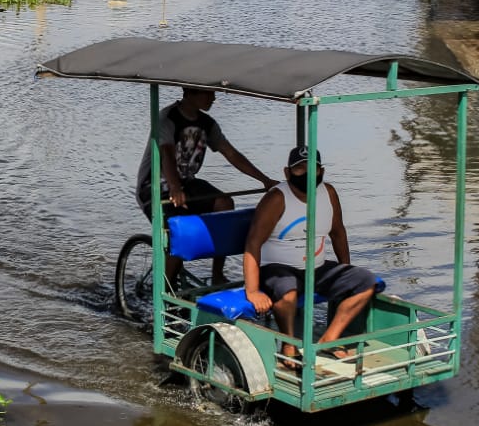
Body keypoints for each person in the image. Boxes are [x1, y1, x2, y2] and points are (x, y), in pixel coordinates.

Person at [242, 146, 378, 368]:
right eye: (299, 169)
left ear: (321, 172)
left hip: (316, 267)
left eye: (312, 169)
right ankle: (289, 342)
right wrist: (253, 290)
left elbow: (338, 232)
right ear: (287, 173)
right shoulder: (277, 198)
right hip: (278, 267)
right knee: (288, 291)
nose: (306, 174)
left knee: (365, 281)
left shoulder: (329, 193)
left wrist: (345, 270)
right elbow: (253, 242)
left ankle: (329, 339)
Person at [136, 88, 276, 284]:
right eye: (208, 94)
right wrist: (175, 187)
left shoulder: (207, 124)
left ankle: (217, 274)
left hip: (187, 183)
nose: (213, 99)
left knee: (225, 204)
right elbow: (166, 153)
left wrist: (264, 180)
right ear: (190, 93)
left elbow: (231, 154)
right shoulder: (167, 118)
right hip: (154, 186)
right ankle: (162, 292)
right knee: (180, 232)